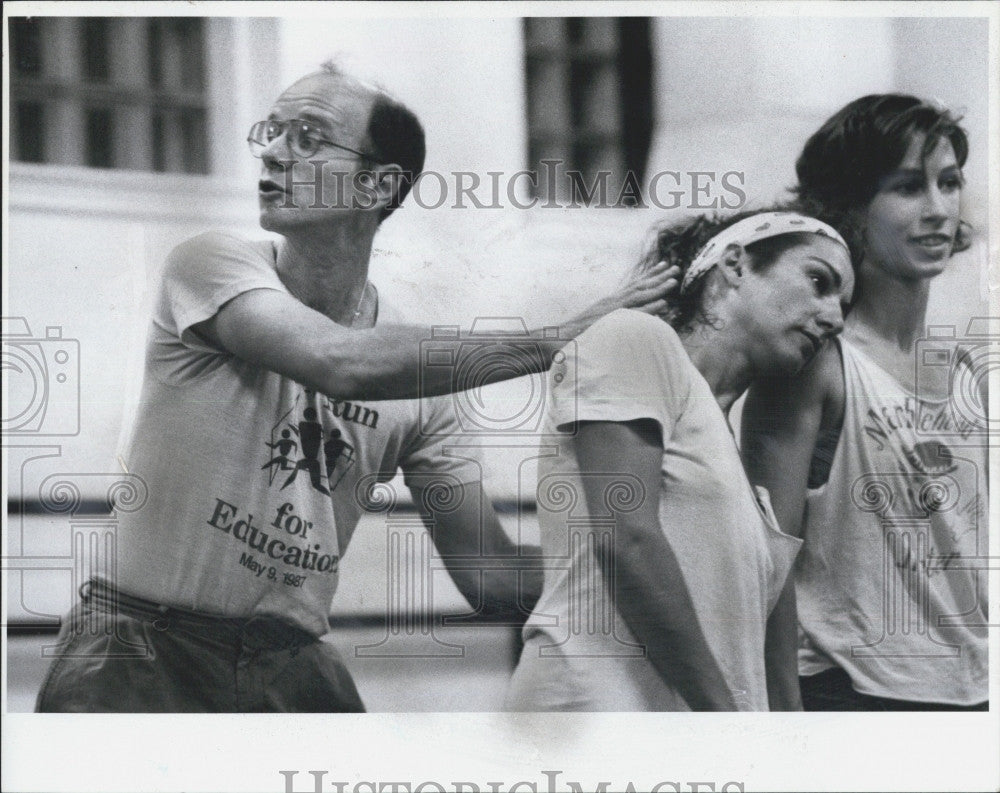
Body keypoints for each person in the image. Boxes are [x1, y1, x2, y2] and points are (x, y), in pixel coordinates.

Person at [34, 63, 677, 713]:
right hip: (138, 650)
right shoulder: (208, 265)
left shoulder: (420, 378)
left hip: (286, 657)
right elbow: (334, 359)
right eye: (274, 130)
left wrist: (655, 564)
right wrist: (557, 338)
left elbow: (490, 575)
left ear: (376, 184)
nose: (275, 151)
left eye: (309, 136)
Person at [504, 209, 855, 711]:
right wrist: (722, 722)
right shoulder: (633, 337)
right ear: (734, 265)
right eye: (819, 281)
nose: (836, 318)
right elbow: (630, 543)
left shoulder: (731, 465)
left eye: (842, 304)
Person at [742, 94, 989, 710]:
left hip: (969, 696)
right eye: (907, 187)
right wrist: (784, 720)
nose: (938, 209)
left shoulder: (965, 371)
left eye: (949, 182)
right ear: (849, 209)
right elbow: (762, 562)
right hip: (851, 694)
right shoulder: (818, 364)